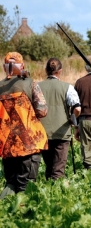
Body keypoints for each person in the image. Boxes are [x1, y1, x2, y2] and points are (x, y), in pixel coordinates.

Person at [0, 52, 48, 199]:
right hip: (28, 144)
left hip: (7, 145)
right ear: (21, 65)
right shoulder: (30, 83)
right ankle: (24, 217)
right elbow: (42, 110)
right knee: (26, 186)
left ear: (5, 67)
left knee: (11, 182)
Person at [39, 58, 81, 179]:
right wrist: (72, 120)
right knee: (58, 170)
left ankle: (47, 193)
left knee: (49, 167)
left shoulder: (37, 87)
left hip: (43, 133)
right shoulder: (67, 87)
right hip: (61, 133)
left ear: (46, 70)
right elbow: (78, 109)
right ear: (60, 71)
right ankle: (57, 195)